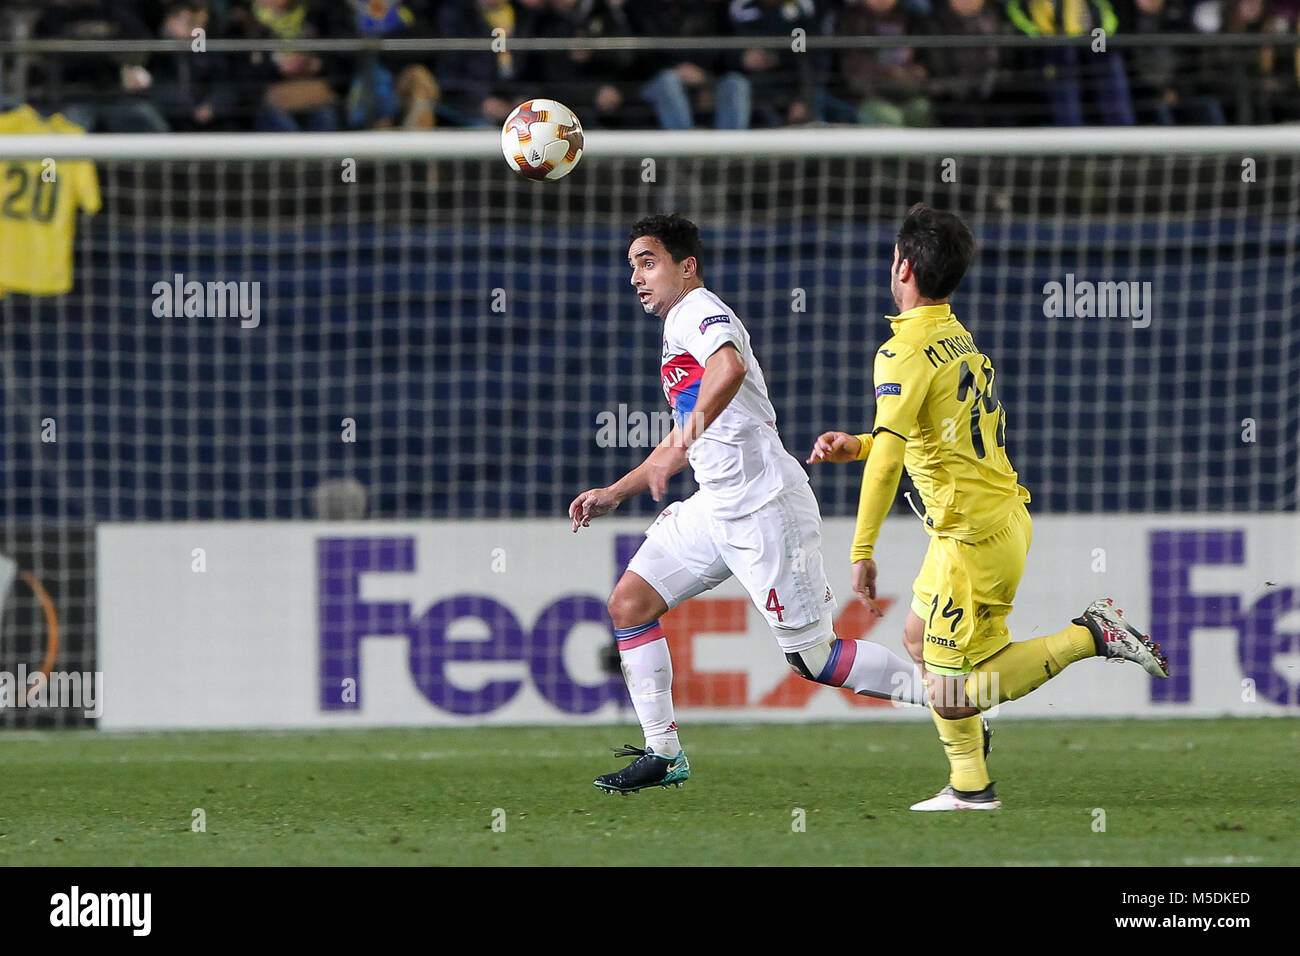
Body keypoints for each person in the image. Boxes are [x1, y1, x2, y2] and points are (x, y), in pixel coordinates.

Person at [807, 203, 1169, 811]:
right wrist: (859, 445)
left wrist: (862, 551)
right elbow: (925, 436)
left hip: (973, 539)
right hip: (981, 526)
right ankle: (970, 784)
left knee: (954, 694)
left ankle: (1090, 636)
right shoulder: (955, 337)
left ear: (902, 265)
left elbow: (893, 461)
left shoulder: (903, 352)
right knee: (920, 640)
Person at [570, 213, 928, 794]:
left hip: (765, 508)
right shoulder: (677, 327)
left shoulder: (698, 309)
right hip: (715, 506)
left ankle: (951, 704)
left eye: (648, 262)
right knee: (629, 603)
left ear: (686, 267)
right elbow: (695, 429)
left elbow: (730, 368)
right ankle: (664, 755)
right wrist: (616, 491)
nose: (636, 277)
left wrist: (676, 447)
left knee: (813, 660)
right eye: (632, 266)